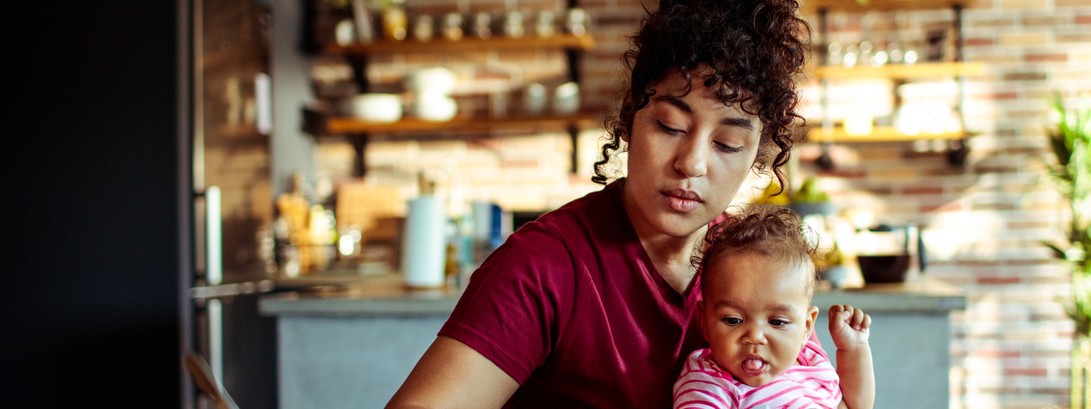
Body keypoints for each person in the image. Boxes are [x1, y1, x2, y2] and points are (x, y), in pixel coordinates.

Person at [386, 0, 824, 407]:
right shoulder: (544, 266)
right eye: (670, 126)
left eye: (728, 144)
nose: (692, 164)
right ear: (631, 119)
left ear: (756, 157)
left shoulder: (760, 267)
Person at [672, 204, 875, 409]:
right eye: (733, 320)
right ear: (705, 322)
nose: (755, 336)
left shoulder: (810, 361)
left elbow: (854, 406)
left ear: (806, 326)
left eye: (777, 322)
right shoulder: (710, 383)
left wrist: (854, 349)